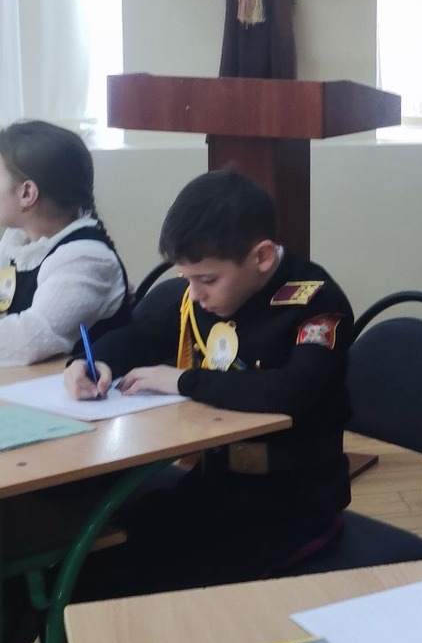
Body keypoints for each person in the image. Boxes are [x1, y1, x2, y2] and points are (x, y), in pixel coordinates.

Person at [53, 167, 355, 596]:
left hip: (293, 503)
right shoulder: (212, 295)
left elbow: (291, 392)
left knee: (154, 584)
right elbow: (144, 334)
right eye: (187, 279)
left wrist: (183, 381)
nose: (194, 294)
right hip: (216, 486)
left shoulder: (314, 302)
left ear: (261, 257)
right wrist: (89, 361)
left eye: (207, 280)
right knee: (91, 560)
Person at [0, 120, 129, 363]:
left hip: (76, 383)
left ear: (27, 193)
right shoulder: (17, 240)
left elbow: (30, 340)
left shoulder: (85, 258)